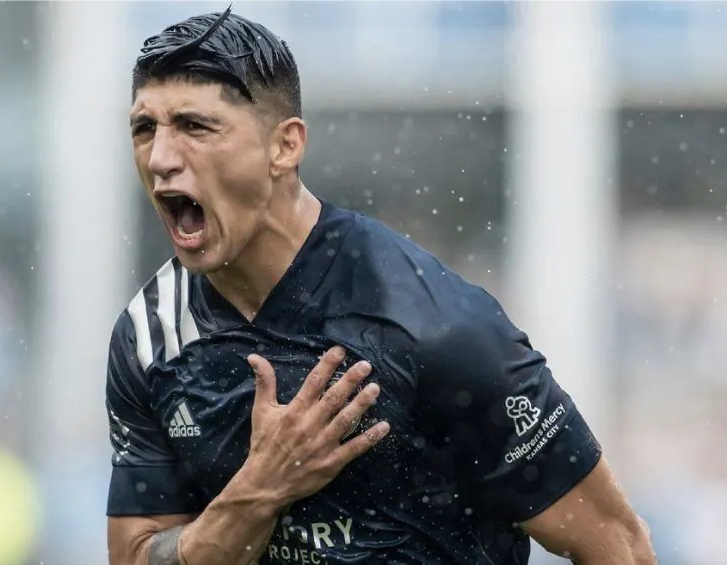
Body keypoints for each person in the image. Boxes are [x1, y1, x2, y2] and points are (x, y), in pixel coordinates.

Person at [104, 7, 656, 565]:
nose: (160, 158)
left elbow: (620, 547)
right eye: (144, 129)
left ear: (284, 146)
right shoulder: (149, 338)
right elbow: (133, 555)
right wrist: (258, 491)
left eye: (195, 127)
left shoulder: (433, 326)